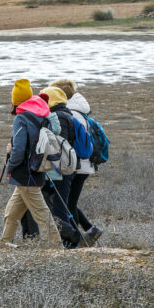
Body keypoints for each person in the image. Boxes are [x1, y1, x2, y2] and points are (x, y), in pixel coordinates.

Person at [0, 79, 61, 247]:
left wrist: (10, 164)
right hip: (37, 170)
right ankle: (4, 244)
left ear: (16, 100)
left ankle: (57, 247)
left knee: (41, 214)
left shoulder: (21, 118)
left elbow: (19, 150)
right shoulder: (41, 113)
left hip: (25, 174)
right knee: (11, 213)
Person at [49, 77, 102, 243]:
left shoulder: (68, 113)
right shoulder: (79, 111)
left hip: (75, 164)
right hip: (85, 163)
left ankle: (77, 239)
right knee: (67, 202)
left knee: (66, 204)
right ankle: (89, 230)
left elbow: (65, 142)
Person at [39, 85, 86, 248]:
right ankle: (71, 239)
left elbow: (58, 143)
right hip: (69, 166)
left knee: (60, 207)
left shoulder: (58, 116)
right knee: (62, 204)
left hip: (61, 168)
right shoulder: (67, 114)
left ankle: (70, 241)